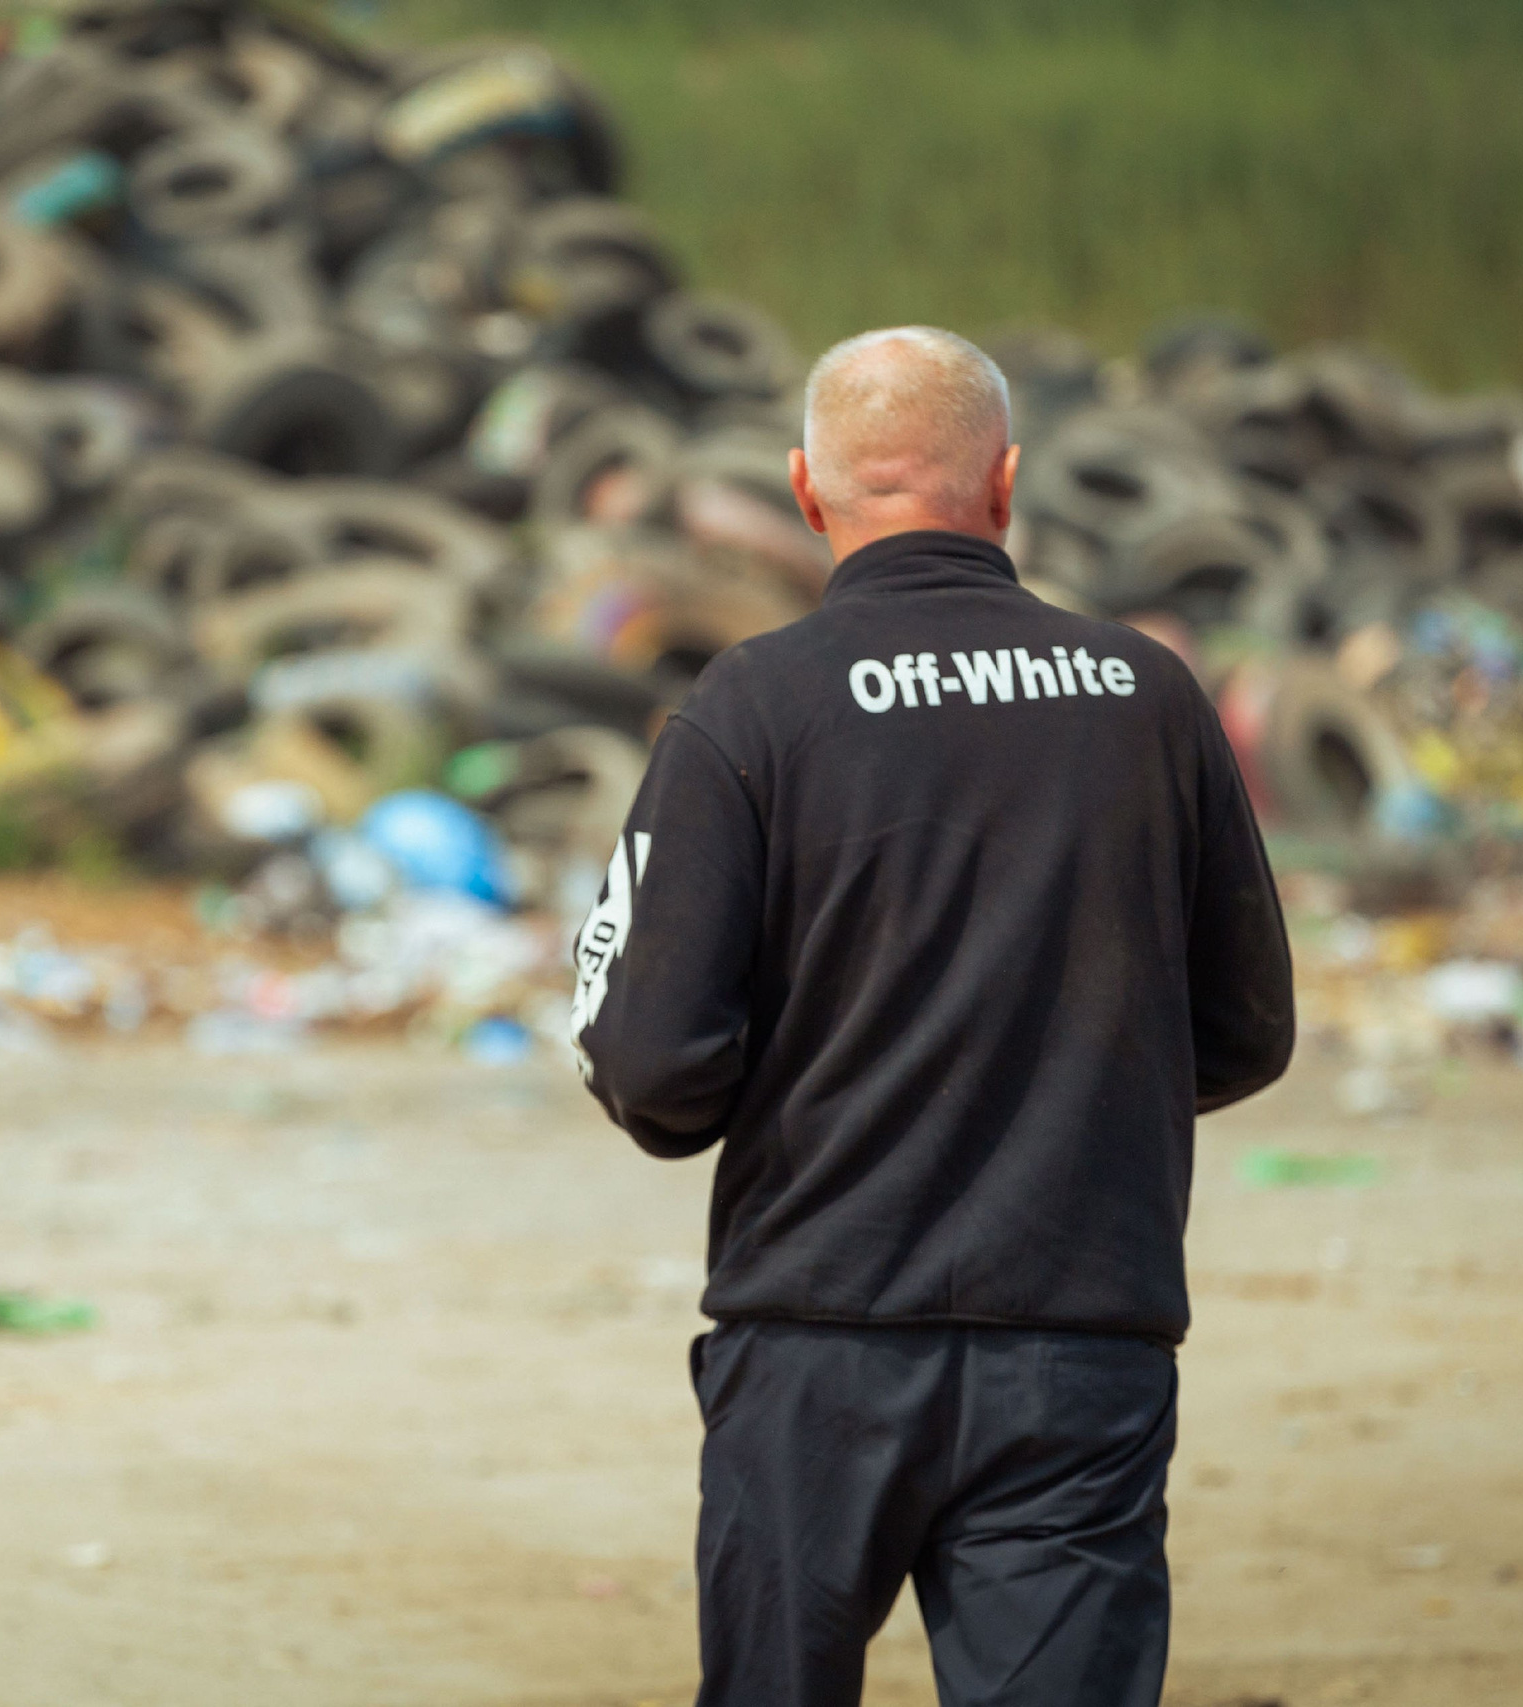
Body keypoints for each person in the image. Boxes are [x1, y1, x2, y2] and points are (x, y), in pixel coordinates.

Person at [572, 326, 1296, 1707]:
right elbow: (1249, 1026)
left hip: (815, 1340)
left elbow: (648, 1055)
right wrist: (1077, 1089)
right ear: (1006, 483)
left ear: (805, 491)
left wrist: (790, 1098)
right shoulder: (1147, 697)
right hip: (1081, 1341)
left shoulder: (752, 705)